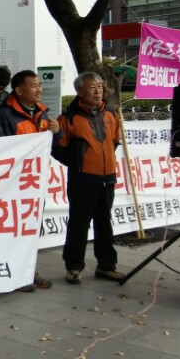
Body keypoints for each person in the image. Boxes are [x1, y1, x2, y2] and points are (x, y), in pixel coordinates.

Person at [0, 70, 58, 292]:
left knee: (32, 230)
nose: (39, 89)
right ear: (19, 90)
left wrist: (57, 132)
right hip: (14, 186)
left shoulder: (43, 115)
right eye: (33, 85)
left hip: (36, 184)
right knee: (14, 231)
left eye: (40, 85)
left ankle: (28, 272)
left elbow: (54, 148)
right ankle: (13, 274)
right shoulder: (5, 116)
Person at [51, 71, 123, 285]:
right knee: (79, 224)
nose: (97, 91)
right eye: (92, 87)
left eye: (99, 87)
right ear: (80, 91)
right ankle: (74, 267)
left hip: (107, 178)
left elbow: (114, 142)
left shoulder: (110, 114)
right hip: (82, 180)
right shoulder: (68, 118)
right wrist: (79, 163)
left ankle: (106, 266)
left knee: (104, 223)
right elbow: (58, 149)